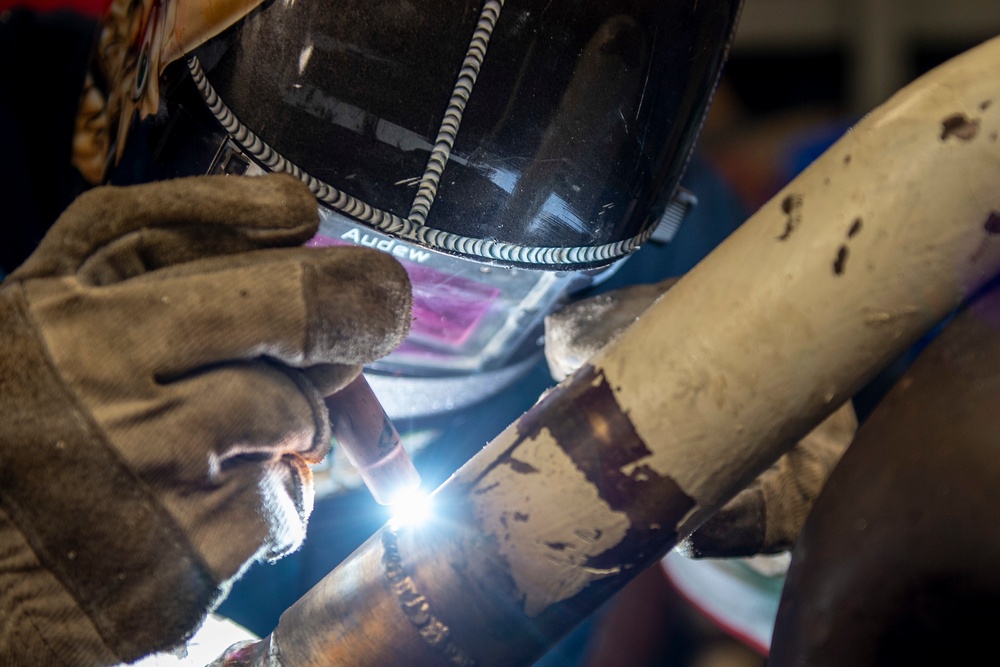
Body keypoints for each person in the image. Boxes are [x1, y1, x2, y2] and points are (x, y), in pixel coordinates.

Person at [1, 1, 860, 664]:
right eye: (312, 243)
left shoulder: (654, 264)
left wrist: (798, 566)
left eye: (451, 297)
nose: (372, 367)